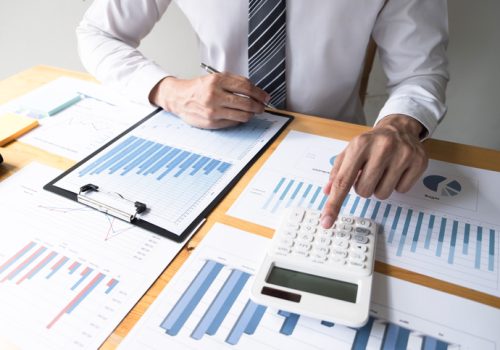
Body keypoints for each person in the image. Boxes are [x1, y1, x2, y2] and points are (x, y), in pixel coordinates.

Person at [76, 0, 448, 229]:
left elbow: (419, 71)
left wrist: (400, 125)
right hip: (214, 148)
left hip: (335, 158)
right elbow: (98, 33)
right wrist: (169, 91)